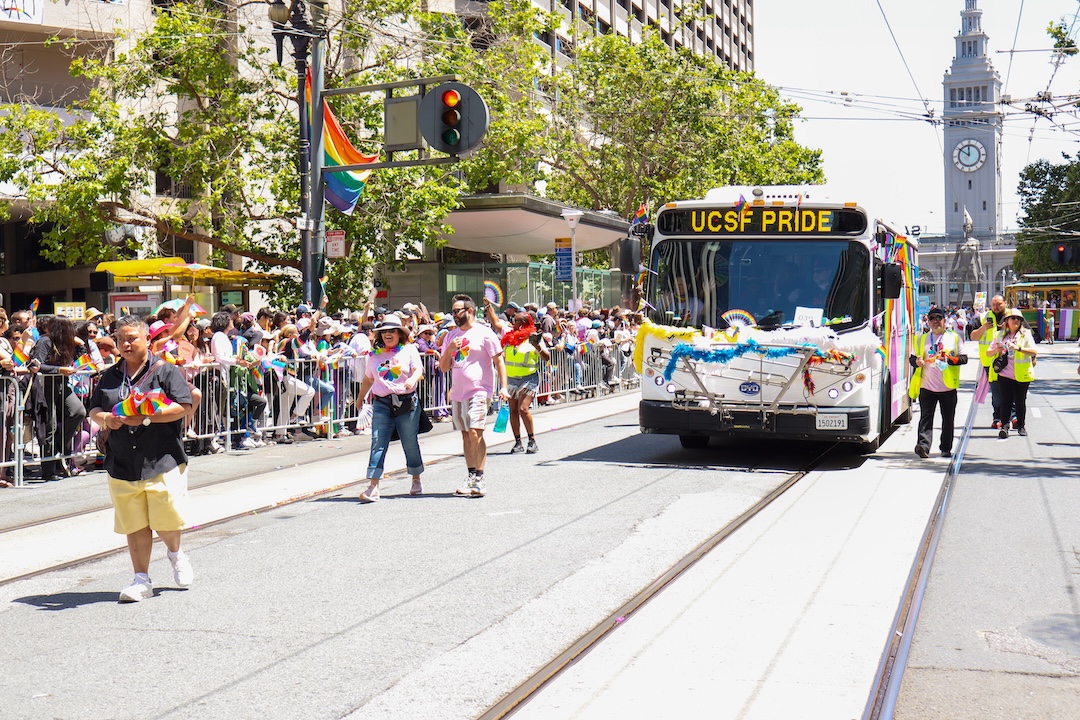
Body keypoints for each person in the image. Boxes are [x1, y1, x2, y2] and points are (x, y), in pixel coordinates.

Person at [87, 315, 194, 603]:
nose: (126, 343)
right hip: (122, 460)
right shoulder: (110, 375)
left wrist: (147, 415)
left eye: (132, 337)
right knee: (134, 523)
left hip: (162, 457)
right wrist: (108, 418)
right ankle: (141, 578)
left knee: (166, 518)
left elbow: (183, 406)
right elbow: (94, 409)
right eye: (121, 339)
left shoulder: (165, 371)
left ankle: (175, 553)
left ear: (147, 339)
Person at [439, 294, 510, 497]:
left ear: (469, 311)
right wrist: (449, 350)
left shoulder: (485, 333)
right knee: (465, 434)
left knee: (475, 431)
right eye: (452, 311)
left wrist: (503, 388)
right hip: (459, 394)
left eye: (456, 311)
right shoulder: (451, 336)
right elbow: (444, 367)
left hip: (480, 390)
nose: (453, 315)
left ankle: (479, 478)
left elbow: (499, 362)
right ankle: (471, 476)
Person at [354, 314, 425, 502]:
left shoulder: (409, 350)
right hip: (382, 403)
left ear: (399, 334)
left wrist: (411, 379)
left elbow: (419, 370)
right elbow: (369, 378)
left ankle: (416, 477)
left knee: (409, 441)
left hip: (406, 402)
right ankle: (373, 486)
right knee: (378, 441)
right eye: (384, 331)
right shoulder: (374, 355)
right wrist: (360, 399)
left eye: (391, 331)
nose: (387, 334)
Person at [908, 307, 965, 458]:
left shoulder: (954, 338)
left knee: (948, 419)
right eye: (932, 318)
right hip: (927, 386)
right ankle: (923, 446)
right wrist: (917, 361)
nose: (935, 321)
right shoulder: (921, 338)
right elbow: (912, 359)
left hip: (947, 386)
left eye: (938, 318)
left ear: (944, 321)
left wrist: (949, 360)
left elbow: (963, 358)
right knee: (925, 417)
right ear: (928, 321)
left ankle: (945, 448)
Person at [501, 312, 549, 454]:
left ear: (522, 323)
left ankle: (532, 440)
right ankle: (517, 442)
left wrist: (537, 346)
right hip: (512, 379)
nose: (512, 322)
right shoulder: (509, 337)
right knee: (513, 411)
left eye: (514, 320)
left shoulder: (534, 337)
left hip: (529, 377)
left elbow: (546, 357)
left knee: (523, 408)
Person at [989, 309, 1037, 438]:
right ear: (1007, 321)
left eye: (1018, 318)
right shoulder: (1000, 335)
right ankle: (1005, 426)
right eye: (1012, 318)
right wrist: (996, 349)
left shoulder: (1025, 334)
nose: (1015, 320)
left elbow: (1033, 351)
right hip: (1005, 374)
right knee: (1006, 401)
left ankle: (1021, 426)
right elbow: (988, 353)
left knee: (1020, 401)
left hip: (1022, 374)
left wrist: (1018, 348)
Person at [970, 294, 1008, 428]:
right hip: (989, 361)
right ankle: (997, 417)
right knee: (996, 391)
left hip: (1010, 360)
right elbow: (973, 336)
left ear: (1006, 303)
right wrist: (983, 328)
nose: (996, 307)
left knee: (1010, 389)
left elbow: (1024, 333)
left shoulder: (1013, 316)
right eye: (994, 305)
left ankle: (1012, 416)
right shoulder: (983, 318)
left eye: (999, 304)